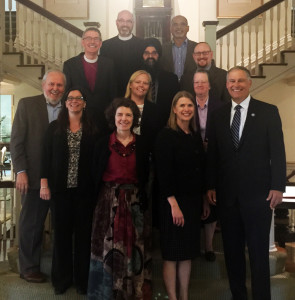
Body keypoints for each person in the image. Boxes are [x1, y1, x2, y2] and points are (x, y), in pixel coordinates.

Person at [206, 66, 286, 300]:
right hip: (227, 197)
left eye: (241, 80)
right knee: (232, 253)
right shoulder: (219, 115)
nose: (235, 85)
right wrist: (210, 185)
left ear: (249, 83)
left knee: (259, 253)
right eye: (231, 81)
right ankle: (238, 295)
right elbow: (213, 154)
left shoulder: (268, 111)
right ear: (226, 84)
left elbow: (278, 152)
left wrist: (278, 185)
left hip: (259, 196)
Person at [88, 98, 151, 300]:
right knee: (107, 250)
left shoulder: (142, 144)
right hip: (107, 203)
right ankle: (106, 294)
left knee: (135, 250)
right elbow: (93, 175)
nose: (124, 119)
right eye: (120, 115)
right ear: (113, 117)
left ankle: (133, 293)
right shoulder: (102, 143)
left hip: (134, 204)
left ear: (134, 119)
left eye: (129, 115)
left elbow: (147, 175)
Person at [40, 87, 98, 295]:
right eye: (70, 98)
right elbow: (45, 157)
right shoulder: (54, 127)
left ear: (84, 103)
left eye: (78, 98)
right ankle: (62, 280)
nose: (74, 101)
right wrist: (44, 183)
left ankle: (82, 281)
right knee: (62, 237)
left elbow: (96, 162)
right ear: (65, 103)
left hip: (84, 193)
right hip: (59, 192)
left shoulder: (92, 128)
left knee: (83, 239)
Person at [10, 70, 66, 283]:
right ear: (43, 85)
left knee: (61, 226)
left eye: (60, 85)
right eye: (52, 84)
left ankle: (61, 270)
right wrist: (21, 171)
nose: (55, 89)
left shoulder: (69, 108)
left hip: (60, 180)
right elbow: (16, 142)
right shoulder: (26, 104)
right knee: (31, 225)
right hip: (32, 177)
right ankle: (29, 268)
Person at [155, 91, 207, 300]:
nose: (186, 109)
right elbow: (163, 173)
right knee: (171, 254)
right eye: (182, 105)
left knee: (187, 254)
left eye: (190, 106)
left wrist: (203, 199)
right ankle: (172, 297)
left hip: (193, 202)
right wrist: (173, 204)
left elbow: (200, 171)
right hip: (172, 203)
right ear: (174, 109)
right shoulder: (165, 136)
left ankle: (184, 296)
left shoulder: (194, 136)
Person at [193, 70, 224, 262]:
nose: (200, 85)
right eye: (196, 83)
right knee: (196, 198)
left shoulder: (221, 106)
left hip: (214, 158)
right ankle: (194, 243)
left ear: (210, 85)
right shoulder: (187, 105)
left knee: (211, 201)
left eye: (203, 82)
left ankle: (209, 246)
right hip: (194, 158)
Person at [63, 27, 116, 130]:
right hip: (78, 119)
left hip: (103, 118)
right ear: (83, 42)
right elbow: (66, 94)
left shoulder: (109, 64)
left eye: (96, 39)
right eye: (88, 38)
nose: (92, 42)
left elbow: (113, 92)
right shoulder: (70, 65)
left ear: (100, 43)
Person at [100, 10, 143, 96]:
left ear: (133, 23)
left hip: (136, 94)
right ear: (117, 22)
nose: (125, 24)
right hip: (113, 95)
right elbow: (104, 74)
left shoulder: (142, 45)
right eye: (121, 21)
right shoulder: (106, 46)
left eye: (128, 21)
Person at [141, 37, 179, 129]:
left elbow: (175, 106)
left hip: (165, 128)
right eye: (146, 53)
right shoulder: (136, 79)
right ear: (142, 55)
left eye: (154, 53)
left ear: (159, 55)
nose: (150, 56)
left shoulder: (171, 79)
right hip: (140, 128)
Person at [125, 70, 158, 147]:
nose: (141, 85)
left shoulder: (156, 110)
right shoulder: (120, 106)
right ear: (130, 85)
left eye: (145, 83)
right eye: (138, 82)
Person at [160, 15, 197, 81]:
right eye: (175, 24)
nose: (179, 27)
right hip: (169, 89)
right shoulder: (162, 49)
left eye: (182, 24)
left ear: (188, 28)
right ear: (171, 28)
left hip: (191, 88)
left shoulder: (196, 48)